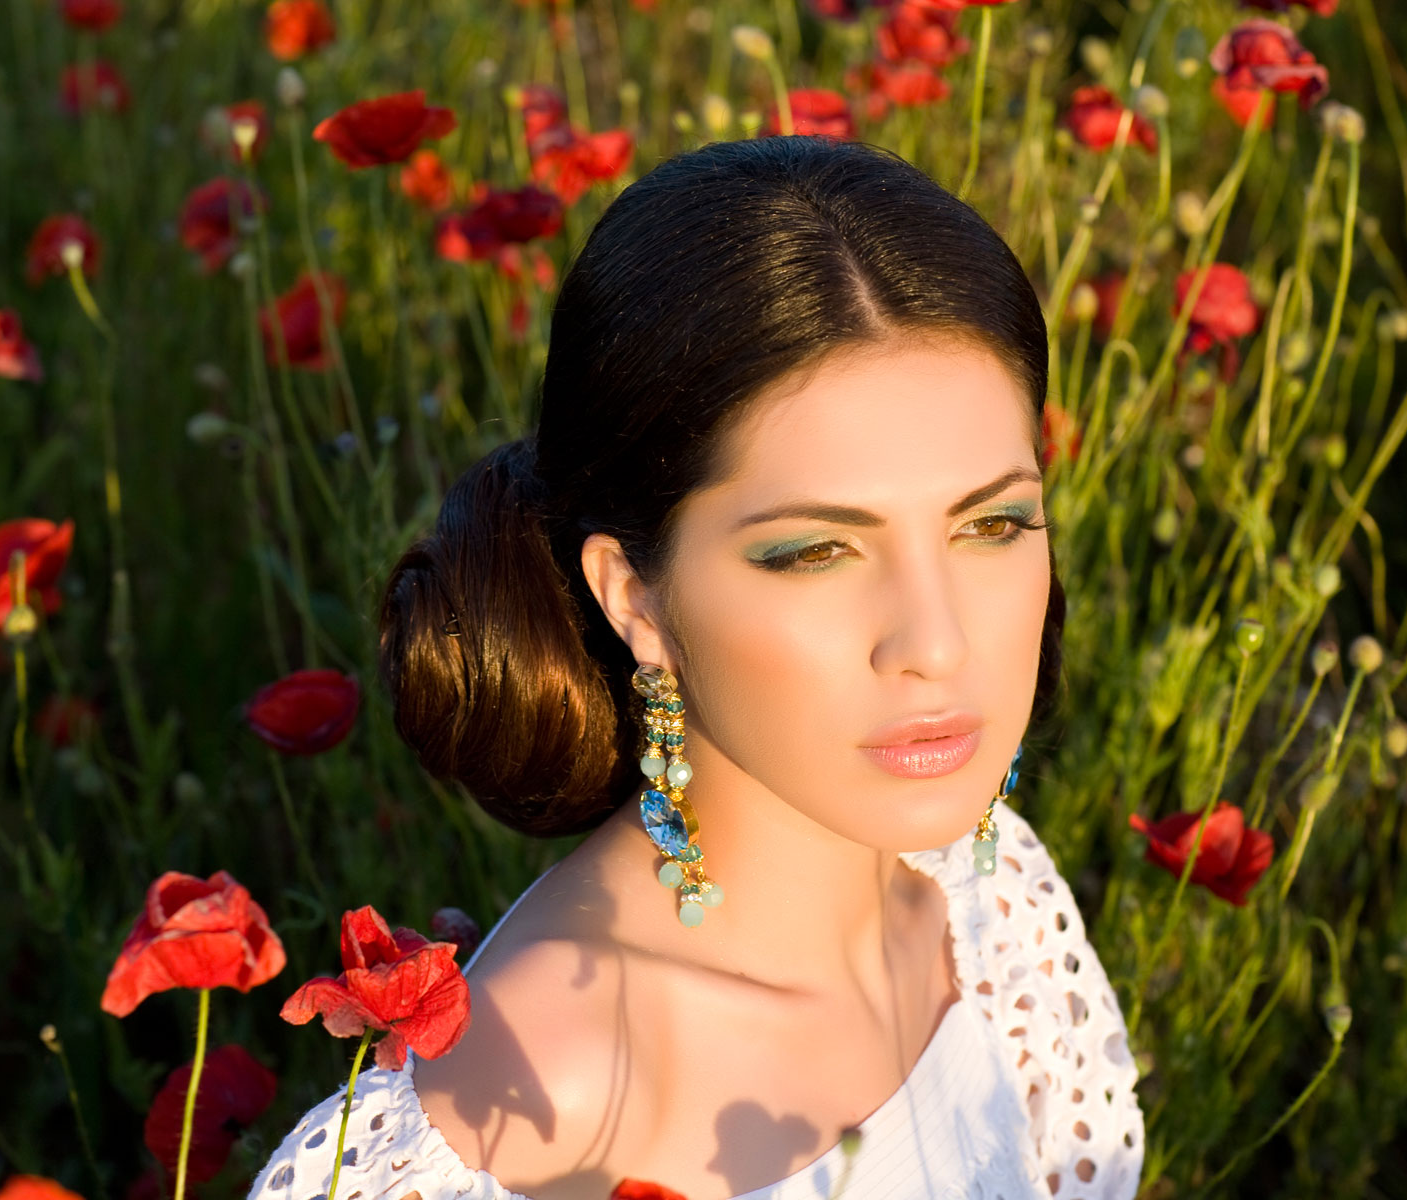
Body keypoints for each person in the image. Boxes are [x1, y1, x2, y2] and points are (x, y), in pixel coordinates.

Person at [249, 134, 1145, 1200]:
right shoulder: (529, 1109)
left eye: (991, 525)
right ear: (635, 596)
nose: (938, 644)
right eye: (816, 552)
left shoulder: (989, 906)